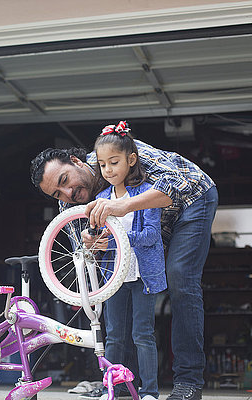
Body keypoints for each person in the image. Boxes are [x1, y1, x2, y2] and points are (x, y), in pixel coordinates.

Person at [30, 121, 218, 400]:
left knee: (179, 276)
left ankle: (188, 382)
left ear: (76, 161)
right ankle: (121, 383)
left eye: (64, 181)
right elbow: (86, 259)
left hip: (192, 201)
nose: (67, 194)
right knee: (115, 287)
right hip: (146, 235)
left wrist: (123, 204)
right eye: (57, 193)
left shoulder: (116, 151)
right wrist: (93, 245)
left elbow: (177, 188)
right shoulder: (70, 204)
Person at [88, 122, 166, 400]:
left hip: (143, 275)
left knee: (143, 334)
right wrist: (93, 240)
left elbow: (151, 235)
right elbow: (98, 237)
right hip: (114, 276)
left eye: (114, 162)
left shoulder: (146, 194)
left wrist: (119, 237)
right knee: (114, 336)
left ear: (130, 160)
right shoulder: (99, 199)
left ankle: (150, 391)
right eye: (103, 164)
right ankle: (113, 387)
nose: (108, 170)